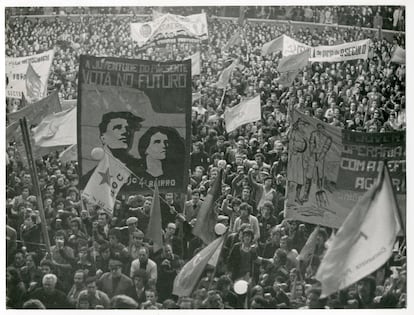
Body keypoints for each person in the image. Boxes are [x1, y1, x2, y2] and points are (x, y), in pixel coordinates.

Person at [80, 111, 144, 188]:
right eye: (118, 127)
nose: (125, 132)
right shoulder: (91, 178)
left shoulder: (141, 168)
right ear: (103, 138)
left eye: (128, 128)